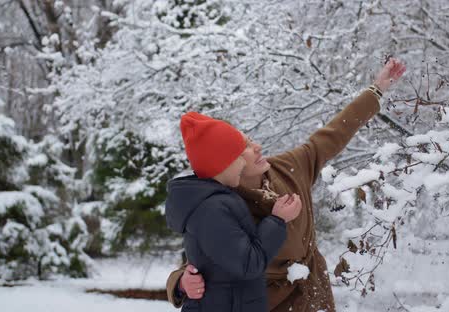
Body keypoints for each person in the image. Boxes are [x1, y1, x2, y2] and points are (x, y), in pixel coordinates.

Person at [167, 58, 407, 312]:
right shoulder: (222, 206)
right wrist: (181, 283)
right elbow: (208, 260)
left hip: (315, 297)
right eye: (245, 147)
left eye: (250, 140)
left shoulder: (288, 167)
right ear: (229, 162)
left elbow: (334, 133)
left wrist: (376, 89)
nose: (257, 147)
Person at [165, 112, 303, 311]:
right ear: (222, 162)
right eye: (239, 155)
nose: (244, 160)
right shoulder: (212, 209)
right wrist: (277, 220)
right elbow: (247, 263)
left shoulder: (220, 201)